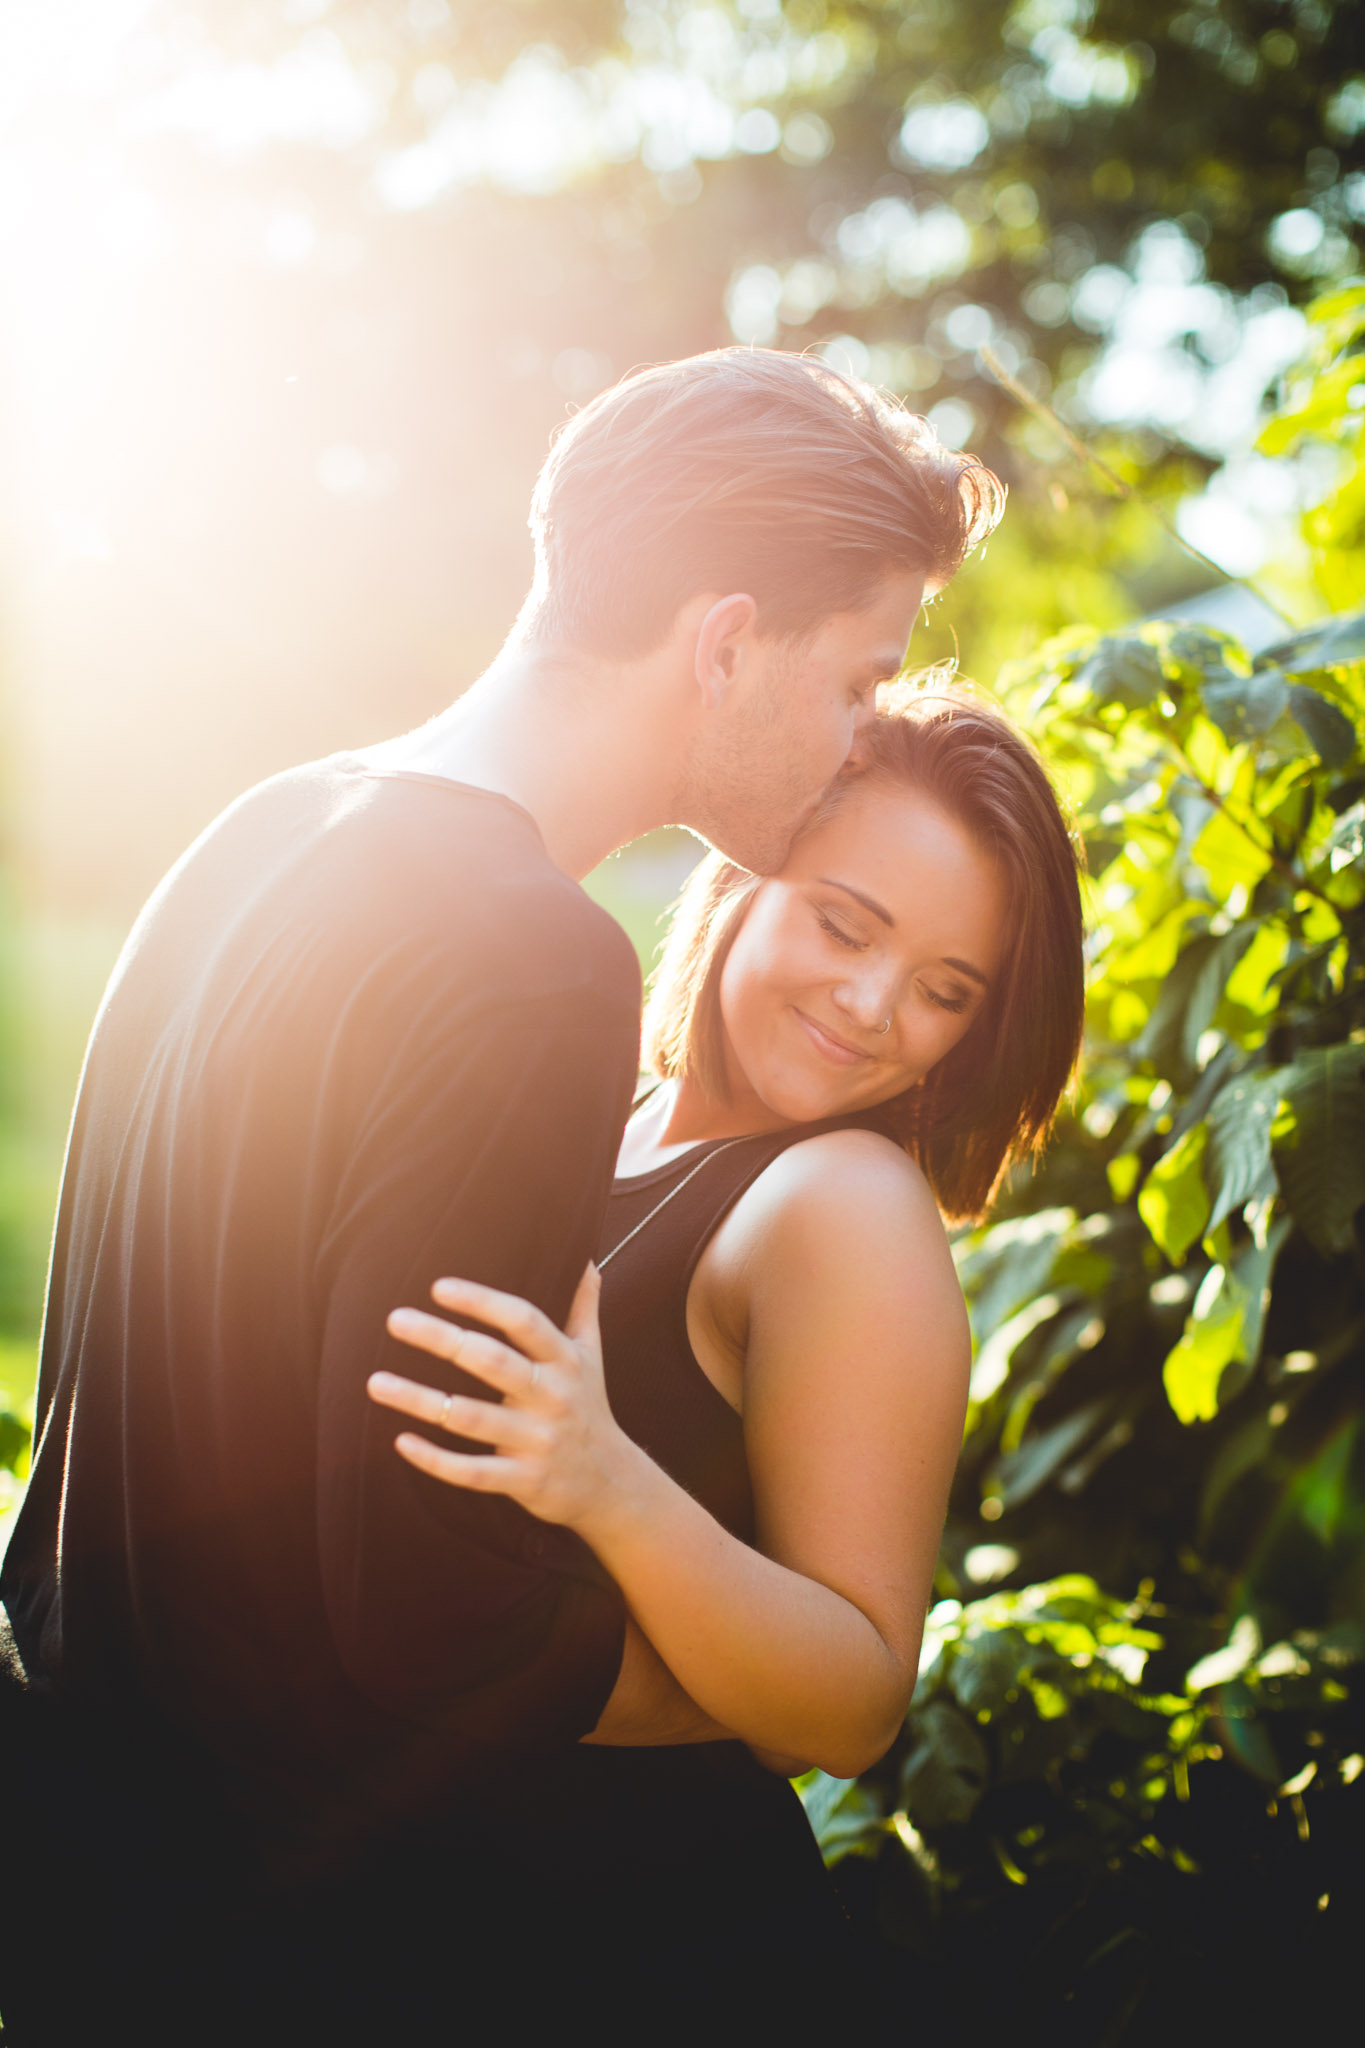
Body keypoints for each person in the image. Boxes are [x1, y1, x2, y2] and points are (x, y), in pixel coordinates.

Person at [0, 350, 1001, 2044]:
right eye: (855, 681)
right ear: (722, 637)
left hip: (86, 1858)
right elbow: (425, 1615)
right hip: (307, 1954)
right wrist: (760, 1696)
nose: (851, 741)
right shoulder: (530, 957)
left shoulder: (257, 831)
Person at [369, 684, 1086, 2023]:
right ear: (747, 875)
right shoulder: (618, 1123)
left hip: (649, 1958)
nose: (871, 1007)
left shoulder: (844, 1207)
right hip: (456, 1929)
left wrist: (605, 1480)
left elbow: (852, 1704)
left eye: (944, 992)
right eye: (841, 923)